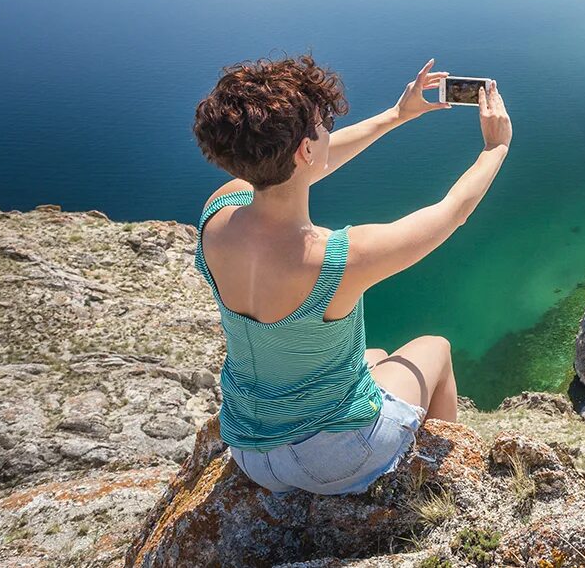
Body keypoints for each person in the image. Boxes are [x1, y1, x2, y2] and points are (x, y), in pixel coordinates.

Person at [189, 53, 511, 495]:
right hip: (332, 460)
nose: (328, 135)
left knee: (375, 354)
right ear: (304, 149)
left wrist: (397, 115)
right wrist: (496, 148)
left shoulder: (219, 211)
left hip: (250, 450)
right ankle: (436, 484)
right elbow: (451, 212)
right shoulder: (337, 258)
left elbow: (306, 164)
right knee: (434, 348)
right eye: (325, 127)